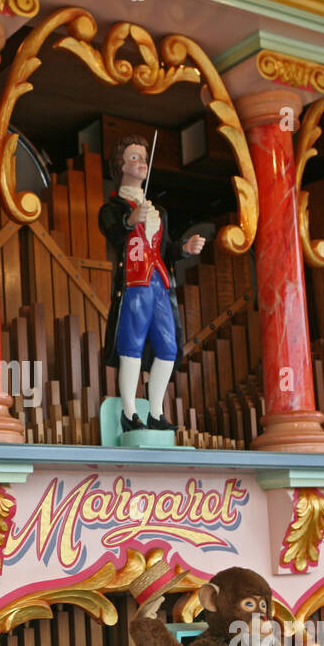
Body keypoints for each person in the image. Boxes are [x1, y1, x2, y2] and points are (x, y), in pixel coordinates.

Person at [98, 134, 205, 432]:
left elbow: (165, 250)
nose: (142, 162)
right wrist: (130, 220)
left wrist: (184, 248)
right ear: (120, 165)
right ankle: (129, 410)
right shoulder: (114, 208)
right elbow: (113, 232)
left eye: (144, 157)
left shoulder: (160, 213)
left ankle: (156, 411)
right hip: (134, 284)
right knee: (130, 347)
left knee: (168, 348)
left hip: (158, 282)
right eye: (134, 157)